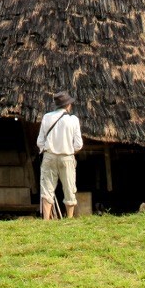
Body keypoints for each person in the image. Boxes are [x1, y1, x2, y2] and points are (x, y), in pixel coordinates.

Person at [37, 90, 83, 219]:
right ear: (68, 105)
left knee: (47, 188)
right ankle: (69, 218)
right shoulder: (73, 120)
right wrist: (69, 151)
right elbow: (78, 144)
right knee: (69, 188)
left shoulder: (47, 117)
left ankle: (46, 220)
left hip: (49, 156)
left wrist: (46, 151)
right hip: (66, 157)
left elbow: (40, 141)